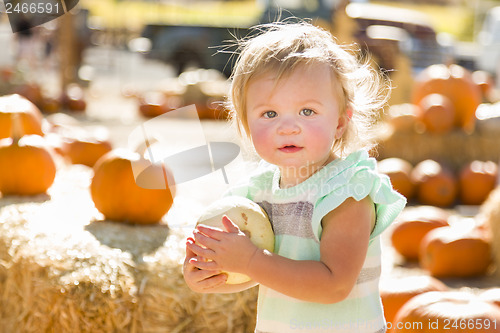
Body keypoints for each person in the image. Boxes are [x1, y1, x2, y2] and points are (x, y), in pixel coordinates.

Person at [183, 21, 406, 333]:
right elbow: (264, 272)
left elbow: (334, 286)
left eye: (307, 112)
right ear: (247, 124)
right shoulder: (258, 192)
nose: (288, 127)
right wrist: (212, 273)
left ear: (340, 122)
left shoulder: (347, 192)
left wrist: (249, 261)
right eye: (269, 114)